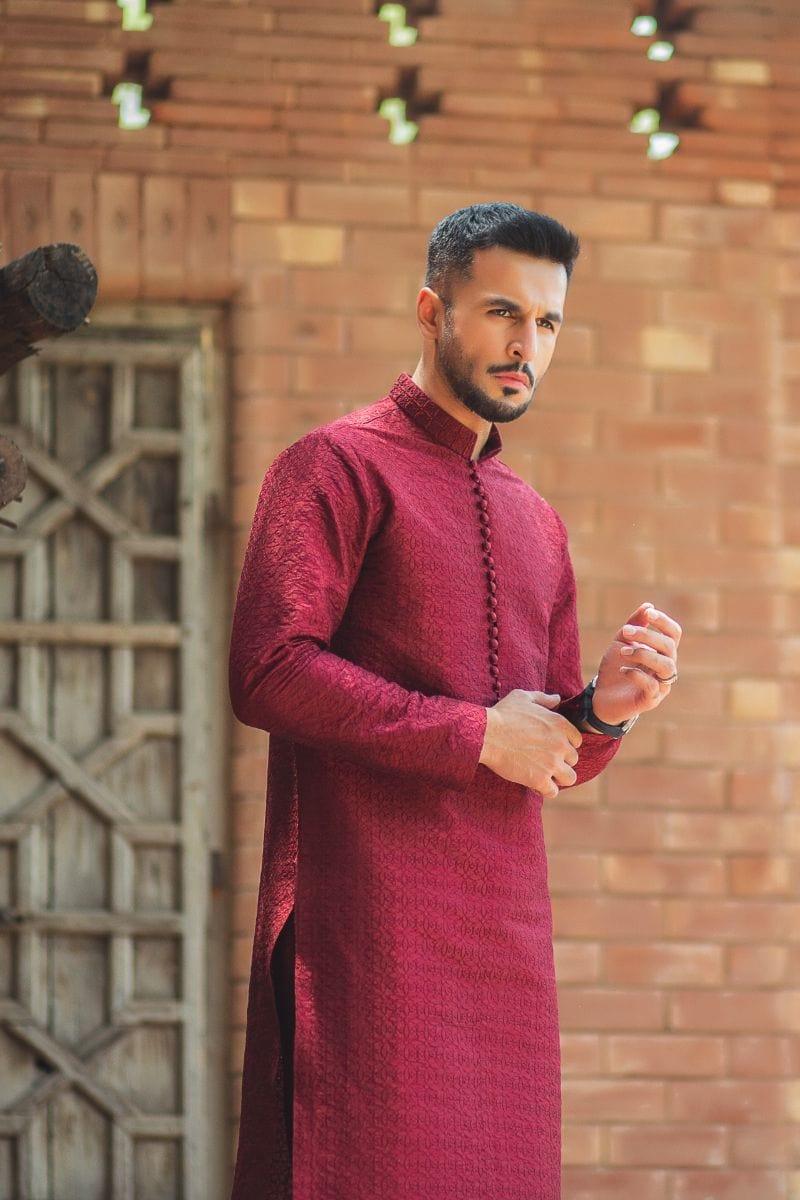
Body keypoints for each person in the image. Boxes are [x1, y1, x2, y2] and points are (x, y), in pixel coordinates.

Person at [228, 202, 681, 1200]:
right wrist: (474, 733)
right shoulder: (334, 466)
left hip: (503, 946)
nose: (526, 346)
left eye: (547, 323)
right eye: (501, 313)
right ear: (432, 312)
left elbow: (546, 748)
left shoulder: (537, 522)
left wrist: (605, 708)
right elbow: (267, 668)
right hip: (365, 932)